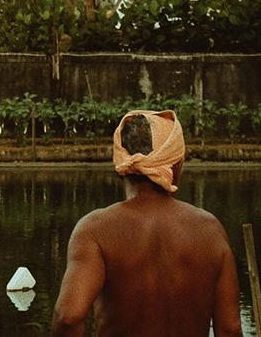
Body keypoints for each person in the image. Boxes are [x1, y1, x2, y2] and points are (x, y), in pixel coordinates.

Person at [50, 109, 244, 337]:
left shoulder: (95, 230)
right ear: (176, 164)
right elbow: (230, 329)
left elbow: (68, 318)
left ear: (120, 162)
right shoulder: (210, 230)